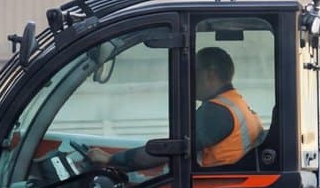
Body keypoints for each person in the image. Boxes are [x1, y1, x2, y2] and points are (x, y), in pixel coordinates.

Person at [91, 46, 263, 171]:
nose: (188, 77)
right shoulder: (237, 103)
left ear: (210, 75)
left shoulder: (216, 112)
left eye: (193, 71)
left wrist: (110, 158)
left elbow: (170, 150)